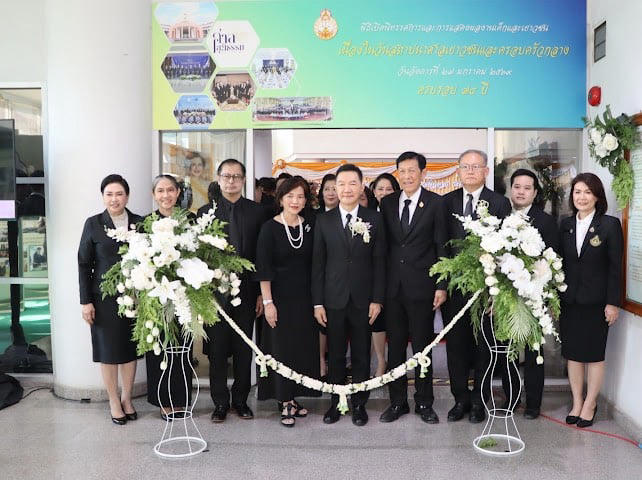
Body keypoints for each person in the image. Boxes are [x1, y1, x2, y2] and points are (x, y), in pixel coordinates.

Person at [312, 163, 386, 426]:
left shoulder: (374, 219)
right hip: (333, 299)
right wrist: (317, 303)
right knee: (335, 355)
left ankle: (359, 405)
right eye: (341, 184)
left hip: (363, 300)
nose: (346, 189)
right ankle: (336, 403)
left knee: (362, 355)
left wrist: (377, 299)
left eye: (352, 183)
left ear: (362, 185)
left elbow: (380, 262)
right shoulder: (323, 220)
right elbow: (318, 265)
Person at [441, 149, 511, 423]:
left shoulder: (500, 203)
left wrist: (498, 290)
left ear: (486, 171)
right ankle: (460, 399)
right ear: (458, 171)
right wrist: (442, 286)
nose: (470, 171)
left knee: (485, 347)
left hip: (486, 291)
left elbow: (507, 249)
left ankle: (480, 401)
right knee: (456, 347)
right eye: (465, 167)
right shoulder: (446, 203)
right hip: (455, 289)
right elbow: (440, 246)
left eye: (475, 166)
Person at [378, 152, 446, 424]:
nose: (406, 176)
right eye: (402, 171)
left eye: (412, 171)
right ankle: (397, 402)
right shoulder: (387, 203)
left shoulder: (436, 203)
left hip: (423, 288)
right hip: (393, 288)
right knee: (395, 348)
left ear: (423, 173)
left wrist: (441, 285)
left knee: (422, 348)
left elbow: (441, 246)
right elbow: (383, 246)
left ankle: (424, 402)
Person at [198, 158, 267, 423]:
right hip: (216, 294)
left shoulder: (257, 212)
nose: (231, 181)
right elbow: (199, 257)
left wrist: (261, 293)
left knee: (243, 349)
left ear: (244, 180)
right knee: (216, 350)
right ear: (218, 179)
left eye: (236, 176)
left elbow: (261, 256)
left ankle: (240, 400)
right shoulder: (205, 212)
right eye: (226, 176)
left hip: (247, 291)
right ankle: (220, 402)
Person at [255, 177, 321, 427]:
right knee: (280, 349)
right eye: (290, 196)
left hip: (304, 299)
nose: (295, 201)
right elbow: (263, 268)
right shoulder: (269, 228)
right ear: (281, 198)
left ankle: (293, 397)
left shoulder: (310, 225)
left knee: (299, 349)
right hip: (279, 299)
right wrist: (268, 302)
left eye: (300, 196)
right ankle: (283, 401)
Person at [78, 174, 143, 425]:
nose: (114, 199)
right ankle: (113, 401)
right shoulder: (93, 224)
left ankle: (127, 398)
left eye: (119, 194)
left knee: (129, 350)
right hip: (103, 298)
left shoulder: (140, 222)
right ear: (103, 196)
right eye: (109, 194)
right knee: (108, 351)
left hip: (135, 297)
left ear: (127, 196)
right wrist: (86, 301)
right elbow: (84, 264)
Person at [559, 173, 622, 428]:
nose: (581, 197)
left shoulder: (609, 225)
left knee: (594, 355)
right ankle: (577, 401)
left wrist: (613, 302)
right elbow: (559, 263)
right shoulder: (565, 224)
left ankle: (590, 403)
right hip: (569, 301)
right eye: (577, 192)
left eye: (587, 192)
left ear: (597, 196)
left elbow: (615, 267)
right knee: (573, 354)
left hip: (597, 302)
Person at [499, 168, 559, 419]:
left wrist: (546, 294)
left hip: (535, 294)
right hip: (506, 295)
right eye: (517, 187)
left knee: (534, 351)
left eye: (527, 188)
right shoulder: (500, 216)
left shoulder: (545, 221)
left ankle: (533, 403)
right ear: (510, 189)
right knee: (508, 350)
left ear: (535, 193)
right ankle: (511, 399)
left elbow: (553, 260)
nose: (521, 192)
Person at [145, 174, 195, 421]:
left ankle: (182, 399)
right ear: (154, 195)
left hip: (185, 295)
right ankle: (163, 402)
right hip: (157, 296)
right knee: (161, 348)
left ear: (178, 193)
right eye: (160, 191)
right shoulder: (147, 223)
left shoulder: (189, 220)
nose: (166, 195)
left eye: (170, 190)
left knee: (183, 348)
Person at [369, 173, 401, 377]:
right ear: (373, 192)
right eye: (380, 189)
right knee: (377, 321)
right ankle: (381, 361)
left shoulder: (401, 211)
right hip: (374, 275)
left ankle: (397, 363)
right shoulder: (367, 214)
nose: (384, 193)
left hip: (397, 275)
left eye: (389, 189)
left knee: (396, 324)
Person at [316, 173, 339, 378]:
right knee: (321, 324)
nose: (331, 193)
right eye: (327, 189)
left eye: (334, 188)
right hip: (319, 277)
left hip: (341, 283)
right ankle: (321, 360)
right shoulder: (314, 217)